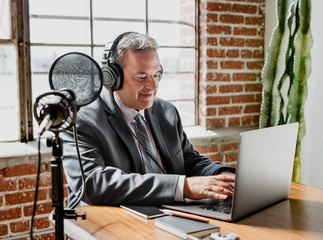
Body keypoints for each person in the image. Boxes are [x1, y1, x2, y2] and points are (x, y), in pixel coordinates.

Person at [61, 32, 235, 208]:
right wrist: (183, 186)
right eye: (142, 77)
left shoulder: (166, 111)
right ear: (112, 77)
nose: (153, 86)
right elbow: (92, 183)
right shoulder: (82, 120)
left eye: (157, 74)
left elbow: (190, 160)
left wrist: (221, 174)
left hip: (174, 212)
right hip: (118, 218)